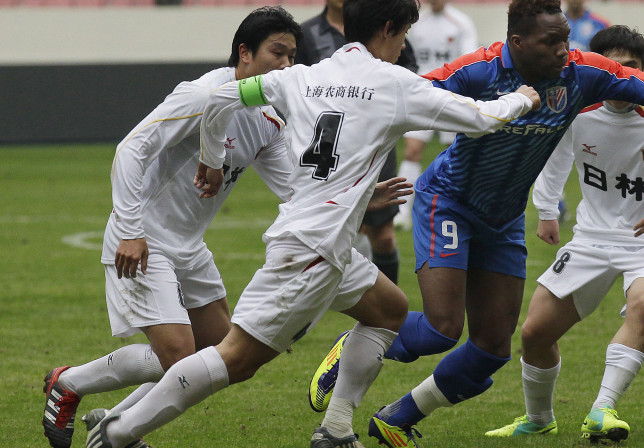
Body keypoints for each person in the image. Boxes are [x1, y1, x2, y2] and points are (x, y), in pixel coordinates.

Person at [80, 0, 539, 447]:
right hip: (313, 249)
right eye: (403, 35)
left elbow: (221, 98)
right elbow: (480, 118)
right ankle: (117, 432)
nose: (403, 46)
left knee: (389, 310)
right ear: (386, 28)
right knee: (235, 359)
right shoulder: (394, 83)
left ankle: (336, 429)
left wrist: (211, 158)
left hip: (321, 238)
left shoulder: (303, 76)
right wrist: (522, 97)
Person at [309, 0, 644, 446]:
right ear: (518, 42)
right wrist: (355, 177)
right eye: (552, 41)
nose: (563, 50)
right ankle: (360, 340)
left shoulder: (580, 72)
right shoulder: (479, 70)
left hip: (504, 219)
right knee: (441, 328)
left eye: (566, 38)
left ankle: (396, 420)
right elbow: (401, 100)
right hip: (448, 202)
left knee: (492, 349)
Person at [39, 7, 303, 448]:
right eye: (278, 53)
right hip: (143, 239)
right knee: (178, 355)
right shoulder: (202, 95)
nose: (286, 66)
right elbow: (130, 149)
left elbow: (295, 189)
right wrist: (130, 228)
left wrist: (358, 197)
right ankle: (70, 383)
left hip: (189, 249)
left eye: (293, 57)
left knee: (224, 356)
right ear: (245, 54)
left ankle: (116, 420)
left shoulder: (268, 120)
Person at [485, 24, 644, 443]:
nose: (619, 76)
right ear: (596, 68)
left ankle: (602, 409)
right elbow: (553, 158)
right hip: (591, 239)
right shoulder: (578, 111)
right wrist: (546, 210)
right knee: (534, 334)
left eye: (629, 67)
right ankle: (539, 419)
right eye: (611, 67)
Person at [296, 0, 420, 284]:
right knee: (334, 235)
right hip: (327, 150)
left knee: (384, 237)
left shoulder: (382, 25)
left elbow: (409, 68)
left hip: (374, 145)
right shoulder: (308, 34)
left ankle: (384, 312)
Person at [395, 0, 479, 229]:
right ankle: (402, 213)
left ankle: (451, 210)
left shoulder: (461, 23)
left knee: (453, 156)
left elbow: (469, 61)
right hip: (420, 94)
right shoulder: (416, 22)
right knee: (412, 150)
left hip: (451, 96)